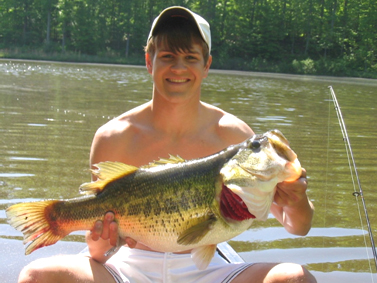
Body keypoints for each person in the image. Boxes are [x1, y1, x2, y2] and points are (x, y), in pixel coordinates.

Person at [18, 6, 316, 283]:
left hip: (209, 269)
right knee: (36, 276)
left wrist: (297, 198)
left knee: (295, 278)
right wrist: (101, 240)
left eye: (190, 58)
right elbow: (99, 253)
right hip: (126, 264)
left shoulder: (236, 137)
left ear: (206, 65)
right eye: (168, 56)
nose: (178, 68)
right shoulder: (114, 136)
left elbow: (297, 226)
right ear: (149, 61)